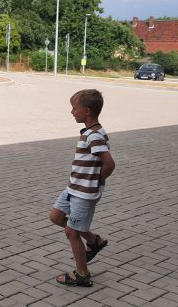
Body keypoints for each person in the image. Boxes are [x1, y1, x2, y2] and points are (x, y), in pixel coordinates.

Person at [49, 89, 116, 287]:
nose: (72, 112)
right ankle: (94, 240)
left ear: (86, 111)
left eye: (74, 108)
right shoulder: (90, 132)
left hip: (84, 193)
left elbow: (109, 164)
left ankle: (82, 274)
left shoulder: (94, 136)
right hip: (73, 188)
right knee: (56, 216)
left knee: (71, 232)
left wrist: (96, 181)